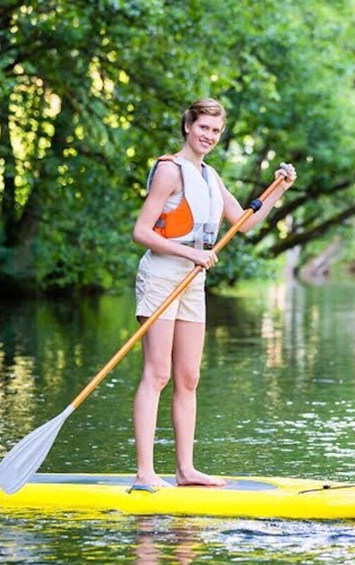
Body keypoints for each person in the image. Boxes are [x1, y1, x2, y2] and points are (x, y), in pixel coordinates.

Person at [131, 98, 296, 489]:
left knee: (188, 377)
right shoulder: (170, 171)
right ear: (188, 125)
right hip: (161, 277)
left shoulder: (210, 176)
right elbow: (142, 232)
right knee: (158, 373)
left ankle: (186, 470)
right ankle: (144, 473)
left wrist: (280, 190)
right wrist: (193, 253)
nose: (209, 136)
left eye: (216, 131)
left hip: (193, 281)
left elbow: (246, 224)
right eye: (203, 127)